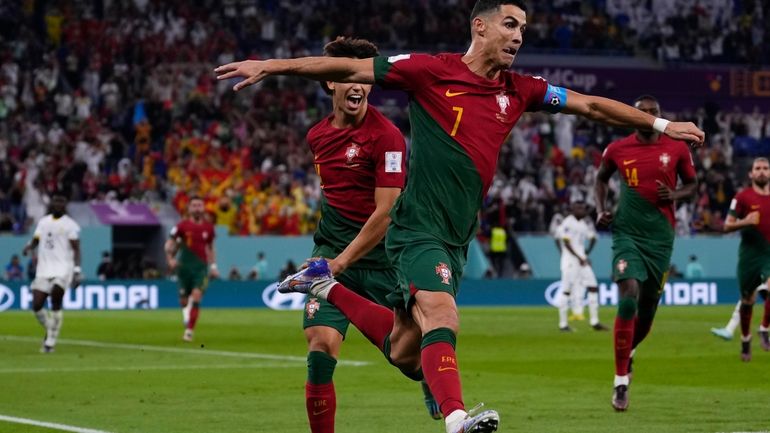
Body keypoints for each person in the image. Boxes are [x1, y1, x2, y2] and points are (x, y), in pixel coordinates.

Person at [217, 1, 704, 430]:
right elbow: (348, 66)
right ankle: (457, 419)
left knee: (406, 351)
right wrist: (273, 65)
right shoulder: (430, 71)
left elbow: (592, 105)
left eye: (524, 30)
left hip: (457, 236)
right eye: (510, 25)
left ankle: (329, 288)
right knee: (442, 315)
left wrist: (661, 125)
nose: (518, 36)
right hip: (416, 228)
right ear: (480, 28)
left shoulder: (522, 90)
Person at [288, 36, 438, 433]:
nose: (357, 86)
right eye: (347, 76)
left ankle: (426, 380)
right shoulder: (317, 136)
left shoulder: (387, 137)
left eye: (364, 78)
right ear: (329, 82)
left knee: (409, 360)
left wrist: (342, 260)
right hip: (332, 254)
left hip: (382, 261)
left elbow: (386, 212)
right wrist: (332, 259)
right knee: (320, 345)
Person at [595, 95, 698, 411]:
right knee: (628, 295)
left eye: (654, 113)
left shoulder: (676, 147)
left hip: (661, 238)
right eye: (643, 113)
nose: (649, 117)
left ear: (660, 116)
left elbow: (693, 185)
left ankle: (629, 354)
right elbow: (601, 179)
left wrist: (676, 193)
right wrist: (601, 209)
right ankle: (620, 381)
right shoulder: (617, 149)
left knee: (648, 310)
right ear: (632, 117)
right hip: (626, 233)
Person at [721, 157, 770, 360]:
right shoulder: (742, 198)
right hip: (749, 255)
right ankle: (745, 338)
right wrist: (746, 221)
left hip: (768, 254)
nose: (761, 172)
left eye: (765, 168)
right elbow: (726, 226)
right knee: (747, 301)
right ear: (750, 174)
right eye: (757, 168)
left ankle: (764, 329)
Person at [22, 192, 82, 353]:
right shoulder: (43, 222)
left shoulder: (70, 225)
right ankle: (51, 328)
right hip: (44, 269)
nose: (58, 205)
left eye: (61, 203)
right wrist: (29, 247)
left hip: (63, 268)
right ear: (52, 204)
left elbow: (76, 249)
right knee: (37, 305)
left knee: (56, 297)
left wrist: (77, 270)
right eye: (56, 202)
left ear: (65, 206)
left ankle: (50, 341)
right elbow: (36, 239)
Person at [165, 196, 219, 342]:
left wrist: (213, 267)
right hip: (183, 268)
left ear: (203, 207)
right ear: (189, 208)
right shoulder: (181, 226)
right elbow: (169, 244)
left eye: (199, 205)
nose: (197, 208)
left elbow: (211, 247)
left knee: (196, 296)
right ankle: (186, 315)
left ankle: (189, 331)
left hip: (200, 268)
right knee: (183, 300)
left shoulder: (209, 227)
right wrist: (170, 259)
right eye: (194, 205)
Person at [554, 200, 608, 331]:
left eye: (583, 209)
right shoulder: (568, 223)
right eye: (579, 208)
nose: (582, 211)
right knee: (567, 290)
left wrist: (587, 253)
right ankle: (563, 324)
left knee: (593, 286)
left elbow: (593, 238)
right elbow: (566, 243)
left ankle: (594, 321)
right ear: (573, 210)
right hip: (570, 261)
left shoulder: (583, 224)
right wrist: (580, 257)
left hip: (581, 260)